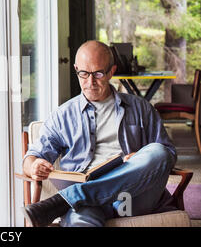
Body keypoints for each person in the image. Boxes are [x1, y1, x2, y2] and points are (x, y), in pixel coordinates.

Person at [22, 40, 177, 227]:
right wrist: (34, 166)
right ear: (76, 69)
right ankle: (79, 196)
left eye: (98, 73)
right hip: (87, 206)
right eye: (84, 74)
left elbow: (168, 156)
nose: (90, 82)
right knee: (81, 218)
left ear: (112, 71)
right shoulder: (63, 116)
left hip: (131, 197)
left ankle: (71, 197)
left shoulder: (141, 108)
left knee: (158, 152)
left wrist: (140, 158)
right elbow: (32, 157)